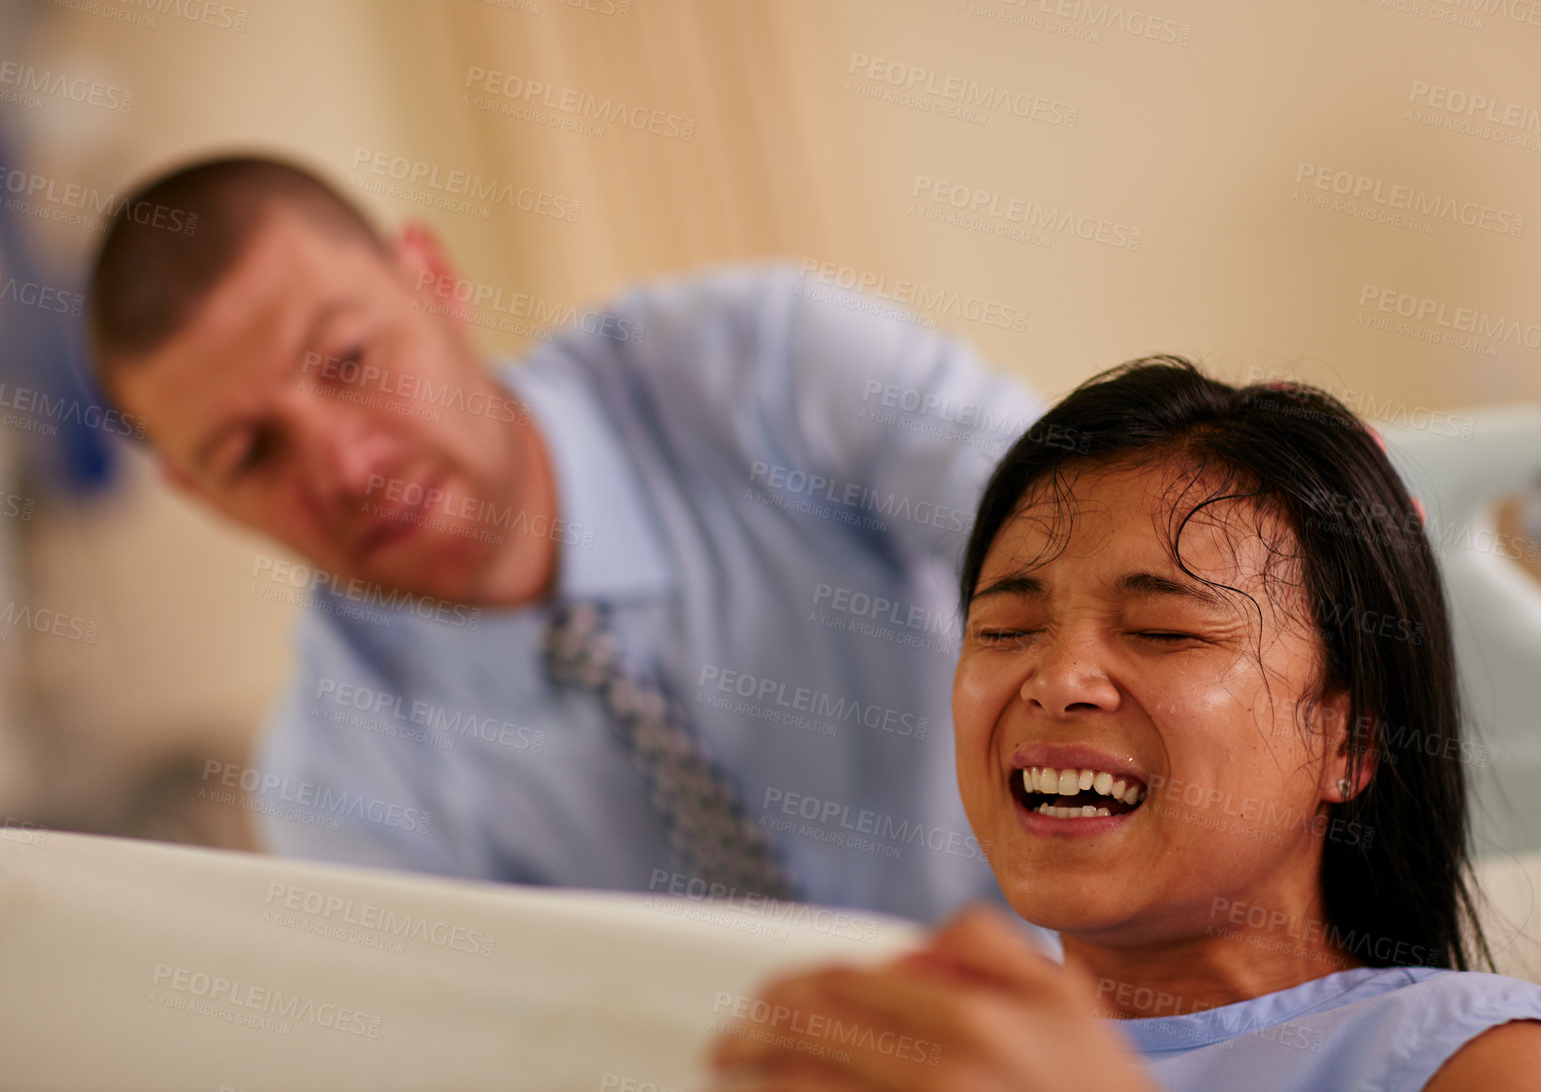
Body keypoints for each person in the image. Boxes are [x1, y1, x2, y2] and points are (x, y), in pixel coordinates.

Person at [85, 155, 1039, 920]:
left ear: (432, 280)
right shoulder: (340, 795)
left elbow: (1114, 569)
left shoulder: (765, 364)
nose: (344, 466)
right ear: (198, 492)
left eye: (348, 361)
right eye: (251, 451)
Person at [706, 357, 1541, 1091]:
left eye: (1162, 631)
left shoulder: (1479, 1060)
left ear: (1349, 743)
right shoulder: (920, 1040)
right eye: (1005, 629)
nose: (1057, 679)